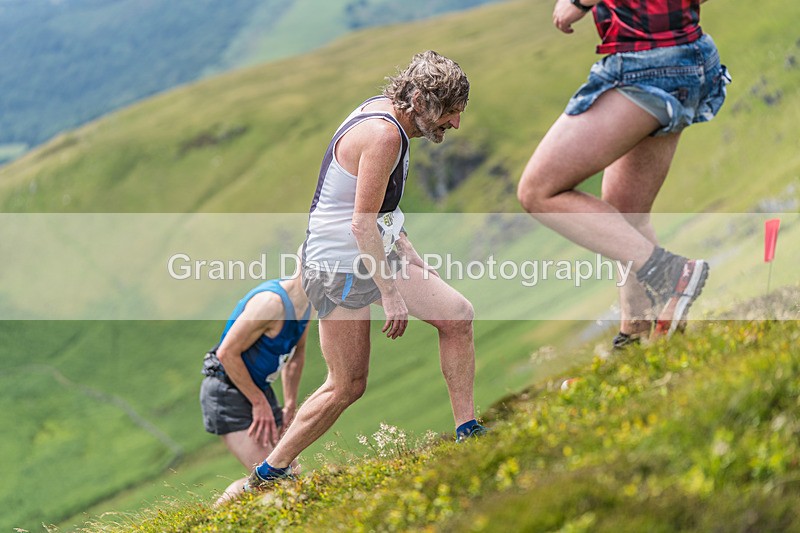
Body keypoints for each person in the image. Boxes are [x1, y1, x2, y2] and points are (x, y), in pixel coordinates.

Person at [245, 50, 487, 491]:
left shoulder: (391, 115)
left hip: (371, 251)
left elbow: (378, 207)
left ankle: (468, 431)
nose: (456, 124)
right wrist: (390, 292)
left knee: (458, 316)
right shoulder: (384, 136)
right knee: (347, 384)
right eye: (451, 113)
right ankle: (269, 473)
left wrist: (406, 247)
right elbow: (359, 222)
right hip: (335, 265)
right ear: (421, 100)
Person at [517, 0, 729, 346]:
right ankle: (637, 339)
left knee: (538, 191)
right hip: (689, 58)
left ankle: (672, 274)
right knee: (625, 212)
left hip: (646, 65)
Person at [199, 274, 311, 504]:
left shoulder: (307, 305)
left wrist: (290, 403)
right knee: (274, 480)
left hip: (258, 389)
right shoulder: (271, 304)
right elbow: (226, 353)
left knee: (292, 476)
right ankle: (210, 521)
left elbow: (296, 355)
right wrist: (259, 403)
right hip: (226, 389)